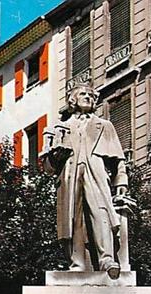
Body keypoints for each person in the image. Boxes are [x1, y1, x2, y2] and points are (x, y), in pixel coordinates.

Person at [42, 84, 134, 279]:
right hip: (69, 174)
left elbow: (118, 157)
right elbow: (48, 168)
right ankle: (77, 263)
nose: (88, 97)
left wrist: (121, 181)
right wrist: (53, 155)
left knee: (100, 213)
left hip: (96, 173)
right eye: (83, 94)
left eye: (91, 95)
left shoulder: (104, 126)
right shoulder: (61, 128)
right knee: (73, 219)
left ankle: (107, 259)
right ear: (72, 100)